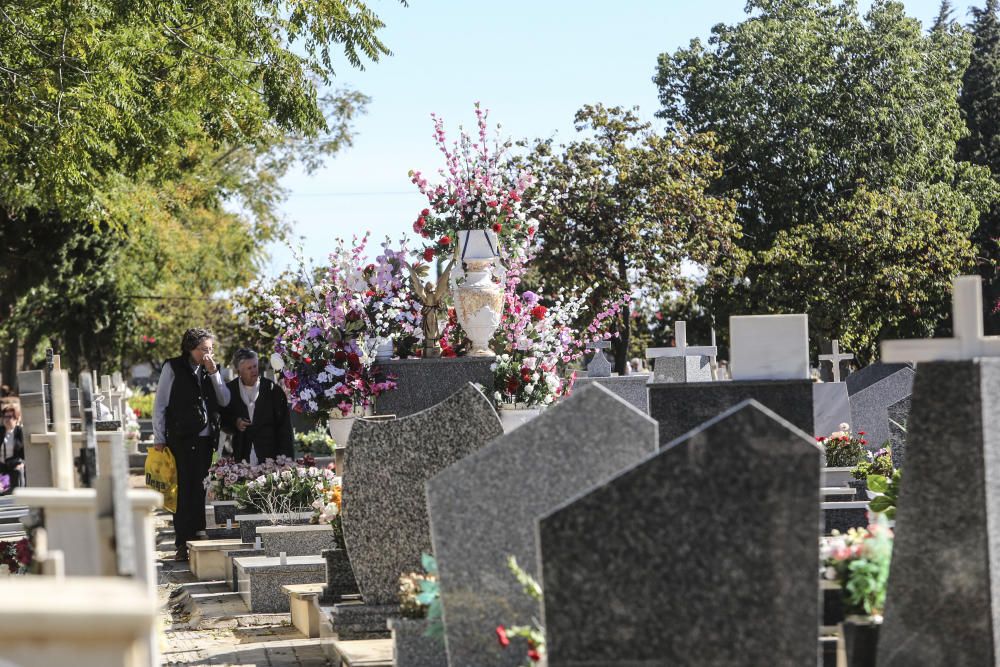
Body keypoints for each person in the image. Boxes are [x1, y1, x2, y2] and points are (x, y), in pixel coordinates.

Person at [153, 328, 222, 561]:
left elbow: (223, 399)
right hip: (181, 438)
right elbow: (160, 404)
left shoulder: (210, 370)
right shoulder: (172, 367)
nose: (208, 354)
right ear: (191, 348)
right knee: (183, 490)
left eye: (211, 349)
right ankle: (182, 542)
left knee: (200, 489)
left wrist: (214, 374)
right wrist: (159, 438)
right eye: (204, 349)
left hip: (205, 439)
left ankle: (199, 536)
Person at [211, 348, 294, 464]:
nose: (254, 371)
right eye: (249, 368)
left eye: (255, 366)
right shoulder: (229, 391)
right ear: (239, 370)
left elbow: (285, 429)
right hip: (240, 456)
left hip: (269, 457)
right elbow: (221, 419)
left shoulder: (273, 391)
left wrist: (287, 460)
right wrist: (235, 422)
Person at [0, 402, 25, 492]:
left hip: (14, 465)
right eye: (4, 417)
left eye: (9, 417)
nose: (6, 420)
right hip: (1, 466)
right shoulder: (1, 431)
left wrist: (22, 463)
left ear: (16, 419)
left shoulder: (20, 432)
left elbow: (25, 452)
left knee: (18, 472)